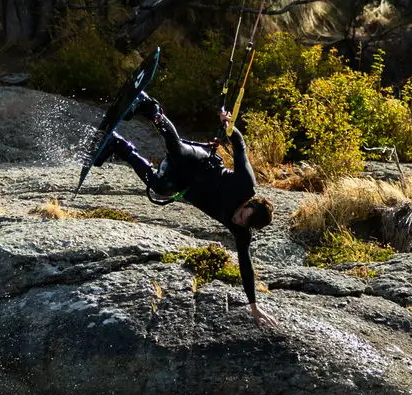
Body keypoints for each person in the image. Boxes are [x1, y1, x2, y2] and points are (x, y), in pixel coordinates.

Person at [93, 93, 277, 327]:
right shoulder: (246, 185)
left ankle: (117, 145)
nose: (237, 220)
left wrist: (254, 306)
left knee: (159, 187)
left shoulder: (241, 230)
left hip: (184, 183)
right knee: (177, 150)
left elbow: (245, 265)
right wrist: (229, 126)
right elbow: (240, 147)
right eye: (242, 215)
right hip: (200, 162)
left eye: (242, 222)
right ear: (248, 204)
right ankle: (150, 108)